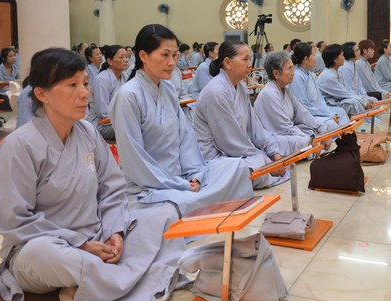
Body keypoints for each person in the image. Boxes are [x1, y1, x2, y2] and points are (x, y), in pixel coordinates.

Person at [0, 47, 187, 301]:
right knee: (44, 255)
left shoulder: (87, 131)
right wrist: (79, 244)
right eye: (72, 85)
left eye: (85, 83)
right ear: (42, 94)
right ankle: (130, 280)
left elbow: (112, 189)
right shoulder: (19, 145)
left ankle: (93, 284)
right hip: (49, 245)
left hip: (98, 234)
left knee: (165, 215)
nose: (85, 93)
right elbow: (13, 220)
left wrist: (115, 231)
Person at [109, 25, 253, 215]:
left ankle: (197, 201)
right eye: (165, 55)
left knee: (237, 167)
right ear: (143, 56)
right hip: (150, 186)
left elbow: (186, 137)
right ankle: (193, 204)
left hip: (182, 177)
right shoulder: (128, 96)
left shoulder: (167, 89)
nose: (171, 62)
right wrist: (178, 185)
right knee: (172, 209)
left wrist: (195, 175)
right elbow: (134, 160)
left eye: (175, 55)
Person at [193, 40, 297, 189]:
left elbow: (256, 128)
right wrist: (266, 160)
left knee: (276, 149)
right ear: (228, 63)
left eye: (250, 59)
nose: (250, 65)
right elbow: (229, 141)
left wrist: (273, 153)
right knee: (249, 168)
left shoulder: (241, 87)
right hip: (217, 156)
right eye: (245, 59)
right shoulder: (216, 91)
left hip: (240, 152)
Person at [254, 51, 330, 149]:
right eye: (289, 69)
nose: (293, 72)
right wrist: (309, 140)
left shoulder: (286, 91)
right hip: (275, 137)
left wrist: (321, 128)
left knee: (314, 130)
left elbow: (303, 113)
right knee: (306, 140)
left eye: (293, 68)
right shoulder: (269, 94)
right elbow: (284, 129)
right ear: (276, 73)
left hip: (288, 132)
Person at [289, 42, 349, 132]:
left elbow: (320, 100)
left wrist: (328, 112)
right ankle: (339, 139)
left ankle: (346, 136)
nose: (316, 57)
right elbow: (303, 106)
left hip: (317, 110)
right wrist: (328, 115)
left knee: (341, 111)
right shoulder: (297, 76)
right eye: (313, 55)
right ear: (306, 59)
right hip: (307, 115)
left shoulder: (311, 75)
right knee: (330, 122)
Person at [86, 45, 129, 140]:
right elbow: (103, 112)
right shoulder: (101, 79)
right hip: (100, 124)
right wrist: (124, 119)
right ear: (110, 61)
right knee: (132, 129)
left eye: (126, 57)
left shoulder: (124, 76)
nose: (126, 60)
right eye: (121, 57)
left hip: (117, 120)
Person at [317, 44, 371, 117]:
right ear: (335, 59)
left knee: (358, 101)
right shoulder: (328, 76)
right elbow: (344, 94)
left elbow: (348, 90)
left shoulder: (337, 71)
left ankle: (365, 119)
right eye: (342, 55)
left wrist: (364, 99)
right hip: (329, 105)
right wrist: (364, 102)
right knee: (353, 102)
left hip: (337, 100)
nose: (344, 58)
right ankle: (364, 121)